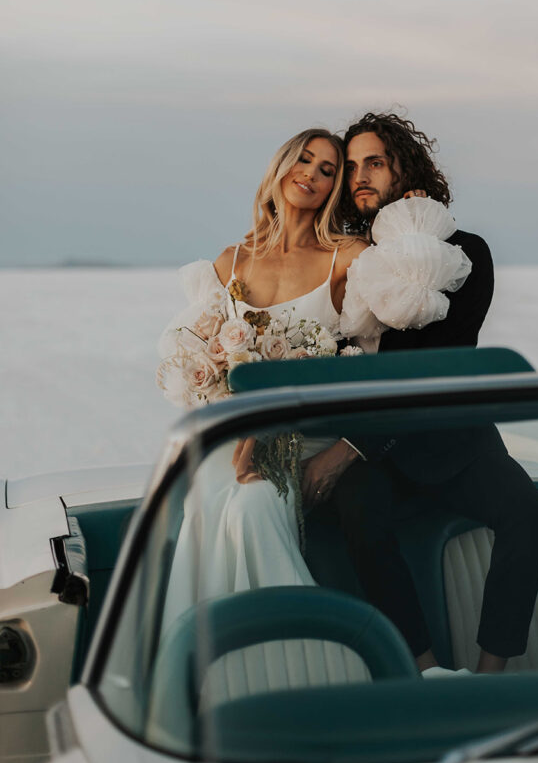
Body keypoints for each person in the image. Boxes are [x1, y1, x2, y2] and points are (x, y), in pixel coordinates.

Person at [156, 126, 465, 697]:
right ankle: (212, 684)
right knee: (207, 493)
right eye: (306, 160)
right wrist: (236, 417)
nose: (315, 174)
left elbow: (404, 330)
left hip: (311, 437)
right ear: (279, 169)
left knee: (249, 507)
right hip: (242, 434)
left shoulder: (349, 258)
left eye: (329, 169)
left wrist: (417, 224)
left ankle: (310, 675)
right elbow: (211, 362)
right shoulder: (231, 262)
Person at [301, 112, 538, 677]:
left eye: (376, 163)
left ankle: (490, 679)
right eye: (354, 167)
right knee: (360, 513)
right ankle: (427, 672)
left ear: (403, 169)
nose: (361, 176)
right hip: (383, 454)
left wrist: (415, 234)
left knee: (527, 514)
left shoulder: (466, 252)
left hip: (453, 438)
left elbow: (429, 357)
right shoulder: (350, 258)